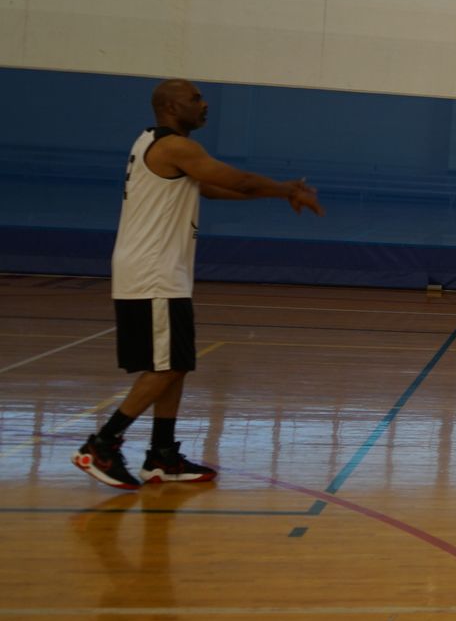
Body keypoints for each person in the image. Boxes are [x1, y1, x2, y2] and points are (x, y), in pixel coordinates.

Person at [72, 79, 324, 491]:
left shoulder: (154, 144)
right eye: (195, 99)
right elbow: (238, 180)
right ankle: (101, 444)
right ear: (171, 106)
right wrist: (285, 189)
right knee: (167, 365)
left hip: (162, 271)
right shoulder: (176, 147)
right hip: (152, 272)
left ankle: (162, 455)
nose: (204, 104)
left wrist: (277, 195)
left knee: (178, 364)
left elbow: (213, 188)